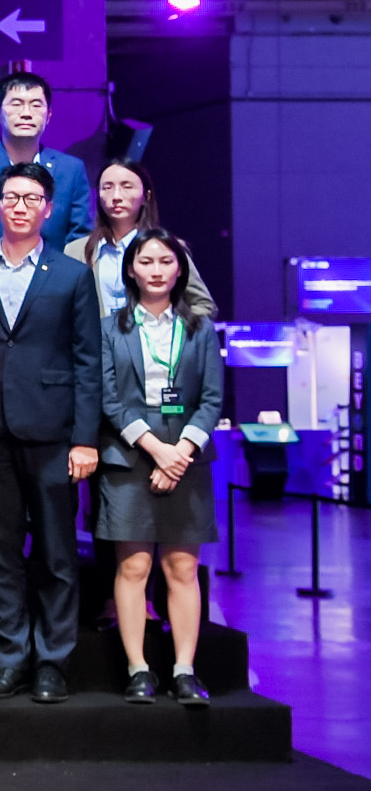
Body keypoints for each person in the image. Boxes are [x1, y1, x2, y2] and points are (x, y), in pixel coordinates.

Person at [0, 161, 102, 706]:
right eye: (11, 198)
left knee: (55, 553)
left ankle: (52, 662)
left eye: (31, 199)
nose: (19, 207)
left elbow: (88, 360)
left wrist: (85, 438)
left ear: (48, 209)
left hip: (53, 433)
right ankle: (10, 659)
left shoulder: (71, 274)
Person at [96, 230, 223, 707]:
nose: (155, 270)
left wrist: (179, 453)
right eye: (146, 261)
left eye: (165, 261)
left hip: (187, 455)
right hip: (129, 456)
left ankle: (185, 670)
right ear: (131, 269)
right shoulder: (110, 328)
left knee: (182, 567)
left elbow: (211, 399)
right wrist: (156, 450)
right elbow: (109, 398)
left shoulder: (200, 328)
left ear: (179, 269)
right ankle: (138, 669)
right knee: (134, 566)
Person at [0, 71, 91, 249]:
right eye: (16, 104)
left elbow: (79, 240)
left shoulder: (71, 169)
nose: (26, 113)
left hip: (57, 266)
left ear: (49, 115)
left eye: (36, 105)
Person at [68, 159, 215, 319]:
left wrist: (171, 329)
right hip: (98, 335)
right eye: (107, 187)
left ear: (146, 196)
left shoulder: (169, 247)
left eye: (127, 186)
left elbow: (203, 305)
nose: (116, 196)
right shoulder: (75, 251)